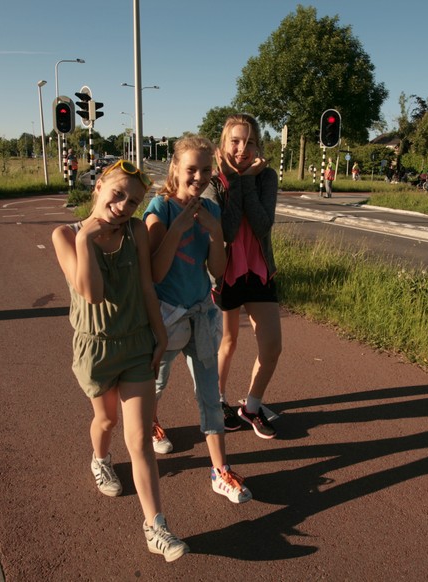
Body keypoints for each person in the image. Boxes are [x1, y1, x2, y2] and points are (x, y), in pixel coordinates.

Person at [51, 159, 188, 562]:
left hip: (136, 343)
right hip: (95, 348)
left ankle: (156, 527)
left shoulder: (135, 231)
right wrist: (85, 239)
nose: (124, 206)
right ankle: (100, 459)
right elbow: (92, 294)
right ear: (98, 188)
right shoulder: (65, 235)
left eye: (133, 201)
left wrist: (160, 335)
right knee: (107, 420)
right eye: (118, 194)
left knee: (139, 439)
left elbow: (146, 285)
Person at [143, 135, 252, 504]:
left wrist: (215, 231)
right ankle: (151, 424)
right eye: (192, 169)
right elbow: (156, 273)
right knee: (157, 383)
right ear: (175, 167)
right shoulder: (159, 209)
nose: (199, 177)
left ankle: (220, 471)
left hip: (202, 313)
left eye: (206, 170)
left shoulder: (211, 211)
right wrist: (179, 227)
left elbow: (217, 271)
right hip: (167, 317)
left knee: (209, 394)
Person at [203, 113, 282, 440]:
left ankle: (251, 406)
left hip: (259, 272)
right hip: (225, 274)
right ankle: (218, 401)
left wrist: (248, 180)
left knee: (272, 346)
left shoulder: (267, 178)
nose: (242, 148)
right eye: (235, 141)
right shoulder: (212, 183)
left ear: (258, 146)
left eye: (249, 142)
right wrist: (236, 181)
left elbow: (262, 225)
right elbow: (229, 230)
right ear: (223, 146)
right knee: (228, 341)